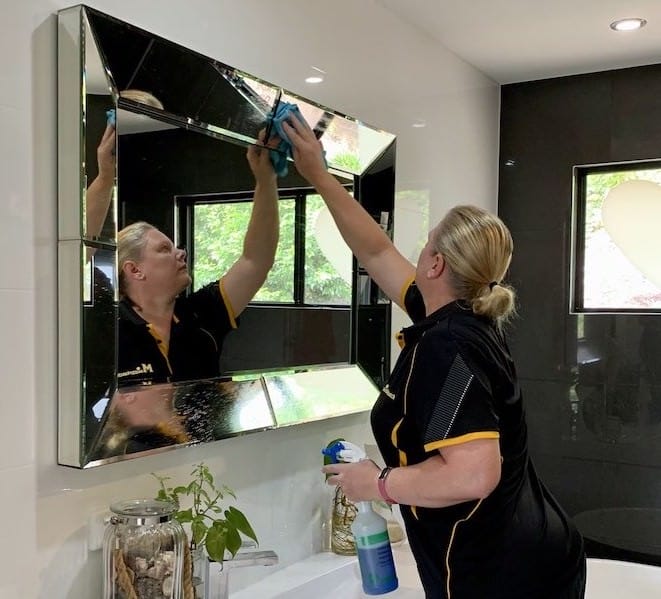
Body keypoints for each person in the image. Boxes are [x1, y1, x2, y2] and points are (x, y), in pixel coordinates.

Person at [283, 115, 586, 599]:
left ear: (436, 263)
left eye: (426, 243)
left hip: (501, 573)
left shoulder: (448, 347)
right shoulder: (456, 319)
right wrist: (319, 176)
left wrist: (377, 483)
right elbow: (375, 249)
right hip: (531, 552)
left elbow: (472, 473)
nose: (417, 251)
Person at [115, 136, 279, 388]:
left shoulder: (202, 314)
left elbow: (256, 261)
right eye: (164, 249)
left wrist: (266, 181)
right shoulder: (108, 333)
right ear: (135, 270)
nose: (181, 254)